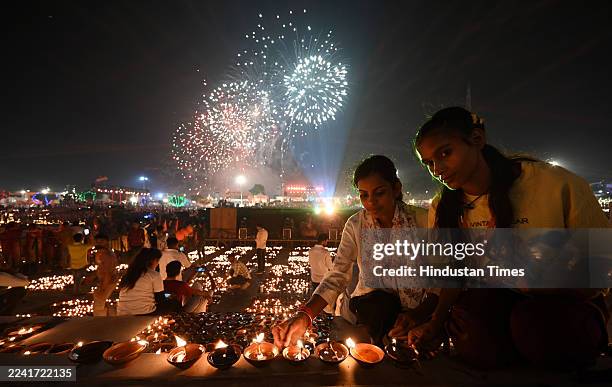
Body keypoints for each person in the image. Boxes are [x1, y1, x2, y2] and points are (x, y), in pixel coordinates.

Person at [408, 106, 610, 368]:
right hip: (498, 302)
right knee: (467, 326)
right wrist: (434, 323)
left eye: (445, 153)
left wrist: (549, 284)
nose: (438, 169)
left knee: (533, 325)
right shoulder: (444, 207)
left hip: (569, 303)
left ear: (477, 139)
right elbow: (453, 275)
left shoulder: (553, 184)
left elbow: (602, 265)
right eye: (429, 163)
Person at [272, 155, 435, 348]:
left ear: (396, 188)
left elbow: (442, 276)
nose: (371, 202)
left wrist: (419, 315)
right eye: (364, 195)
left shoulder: (424, 221)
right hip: (373, 311)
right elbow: (338, 274)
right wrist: (305, 316)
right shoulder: (356, 225)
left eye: (379, 193)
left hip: (421, 313)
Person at [117, 248, 174, 316]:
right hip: (144, 312)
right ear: (153, 260)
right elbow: (160, 299)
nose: (157, 264)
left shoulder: (127, 274)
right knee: (174, 304)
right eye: (157, 261)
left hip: (122, 312)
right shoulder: (154, 275)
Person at [91, 233, 118, 316]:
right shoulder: (102, 253)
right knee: (104, 303)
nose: (99, 243)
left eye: (101, 241)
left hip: (107, 282)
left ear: (107, 242)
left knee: (99, 305)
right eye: (97, 242)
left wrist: (103, 287)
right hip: (106, 281)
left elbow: (107, 272)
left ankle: (101, 323)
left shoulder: (105, 255)